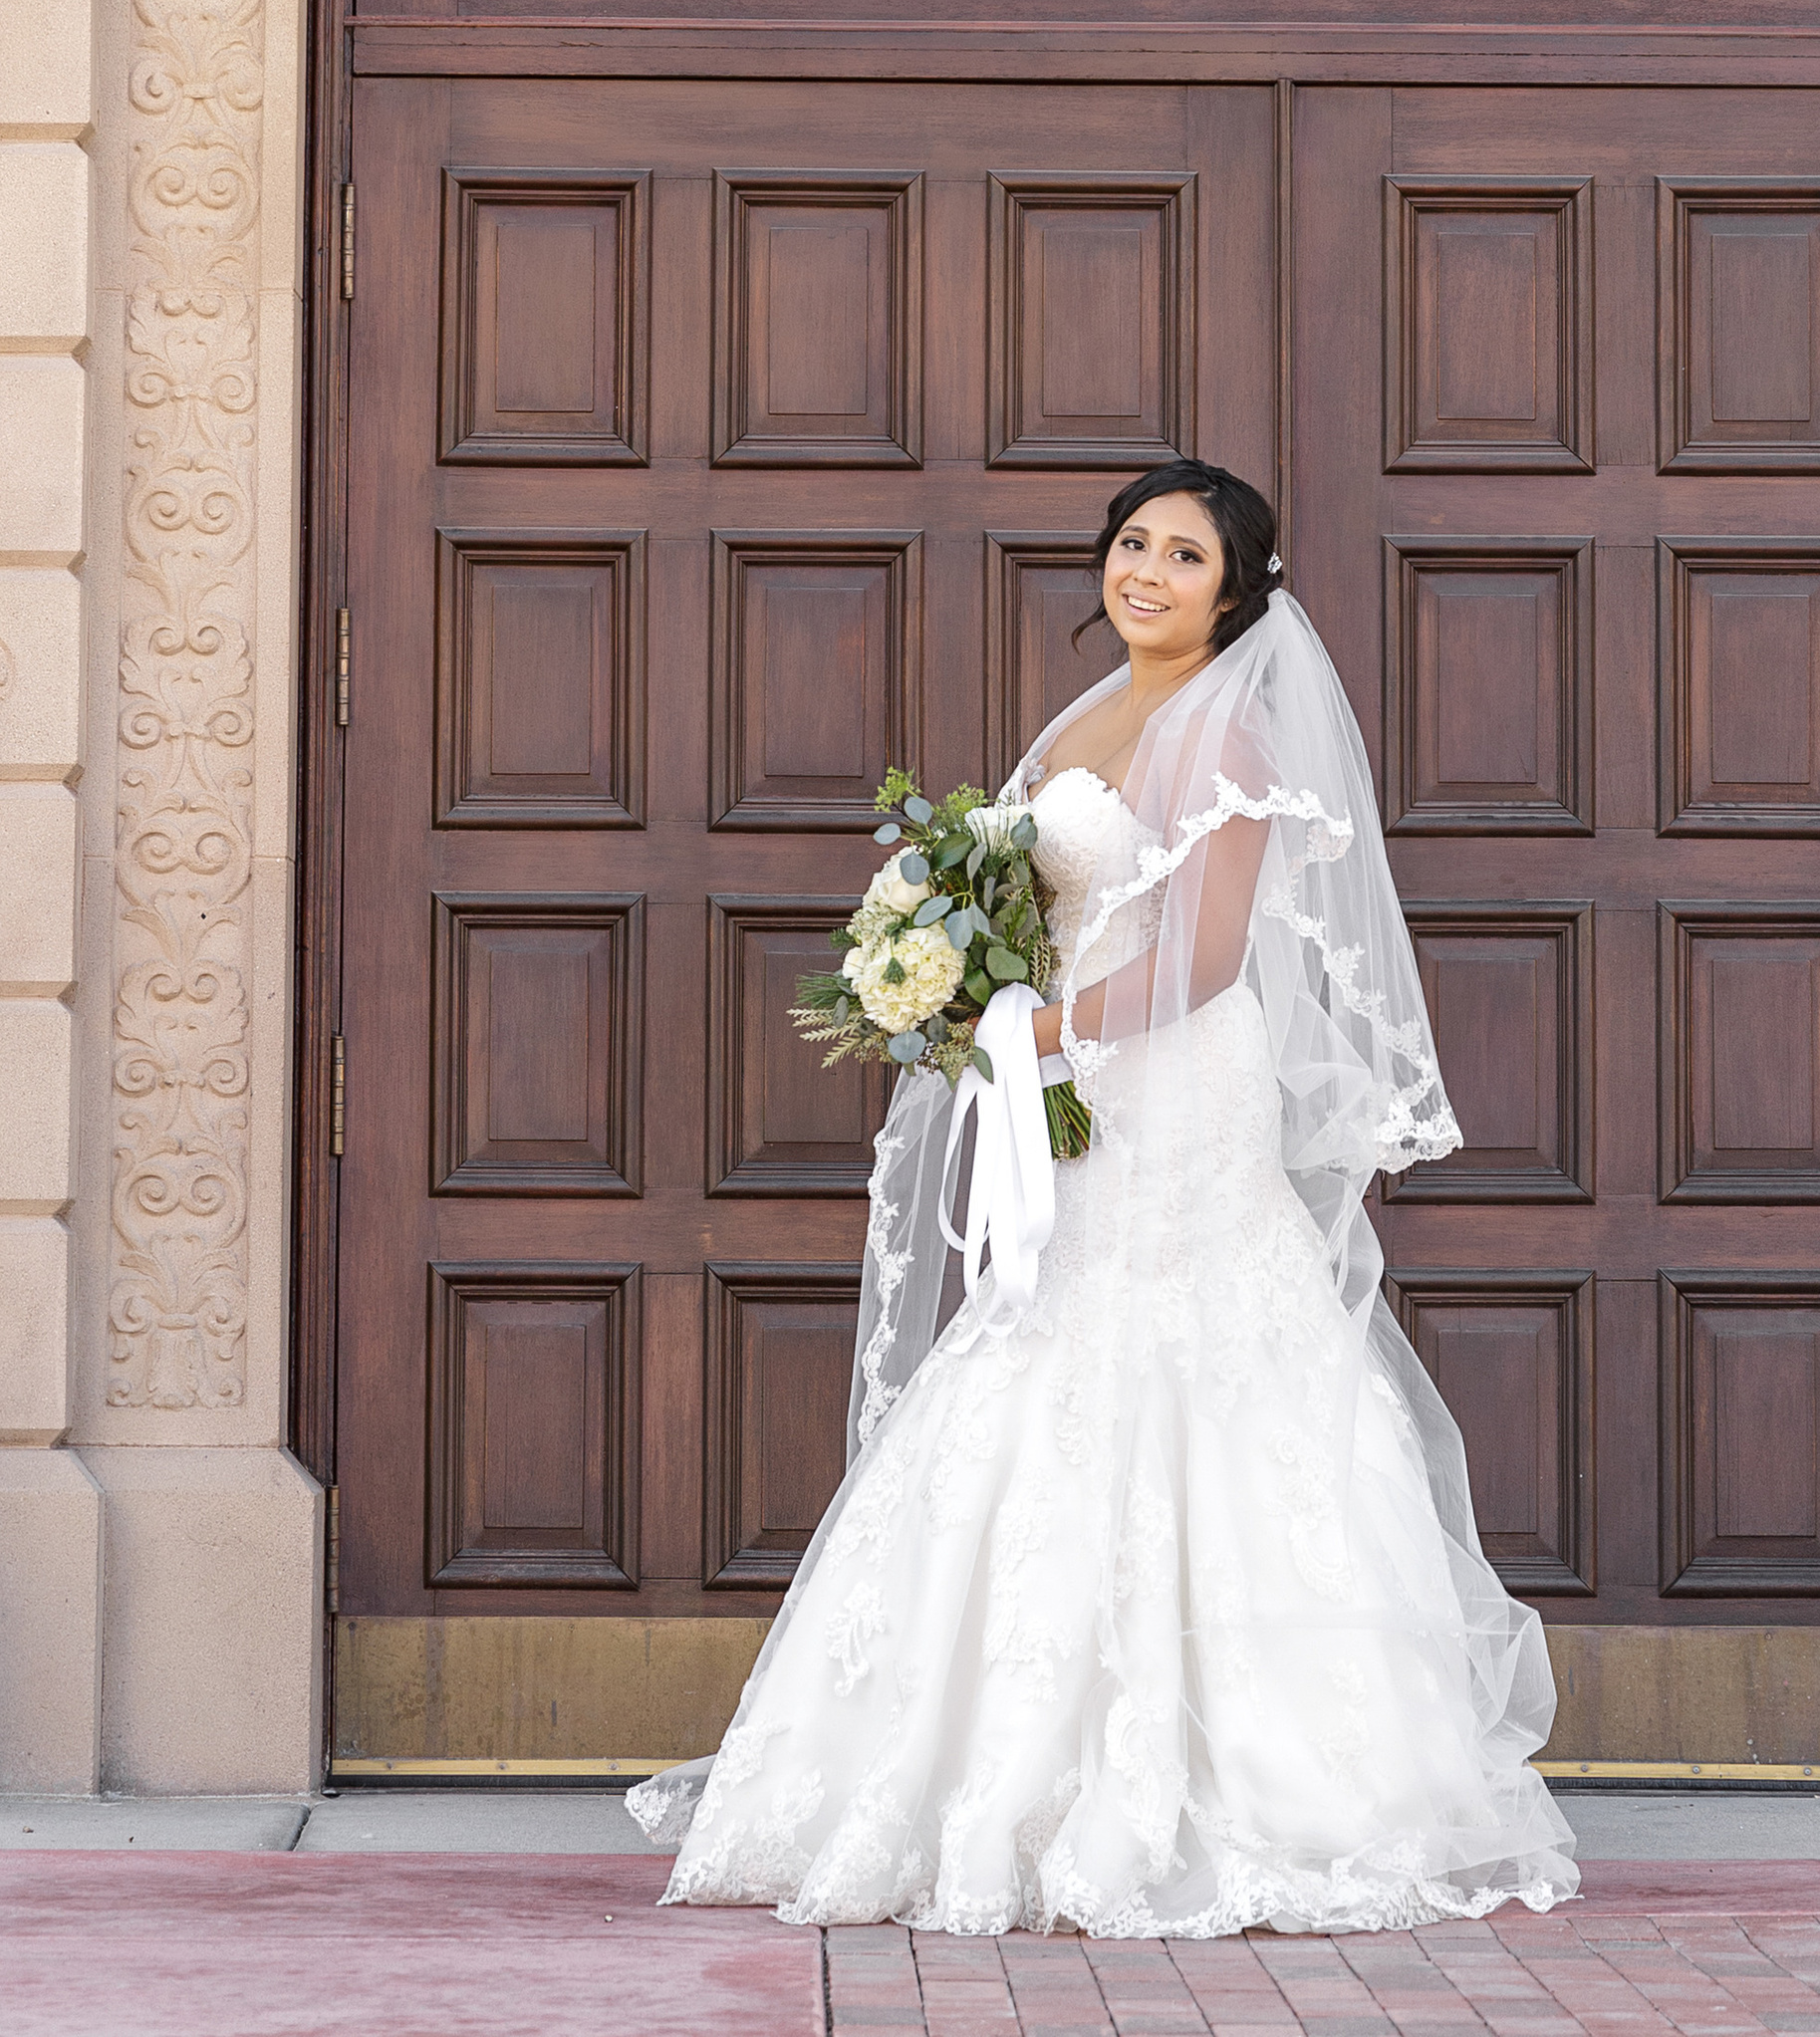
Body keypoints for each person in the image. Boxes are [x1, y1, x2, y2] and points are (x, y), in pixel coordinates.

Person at [630, 457, 1576, 1934]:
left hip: (1180, 1083)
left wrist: (1027, 1030)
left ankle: (1259, 1775)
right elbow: (1035, 902)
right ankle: (987, 1757)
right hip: (1073, 1080)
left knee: (1181, 1351)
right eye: (1133, 542)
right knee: (1041, 1337)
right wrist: (952, 983)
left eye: (1184, 553)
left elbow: (1199, 961)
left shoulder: (1231, 733)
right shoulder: (1082, 717)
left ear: (1237, 587)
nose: (1145, 569)